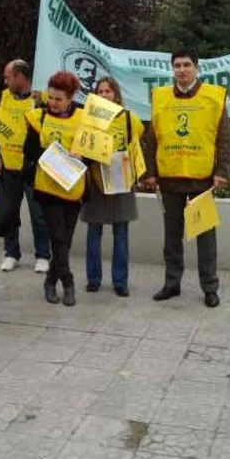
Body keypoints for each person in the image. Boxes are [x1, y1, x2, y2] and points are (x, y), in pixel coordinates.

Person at [144, 48, 230, 307]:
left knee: (205, 238)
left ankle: (209, 287)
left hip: (202, 181)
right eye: (177, 65)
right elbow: (151, 139)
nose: (181, 70)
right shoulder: (160, 97)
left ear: (196, 68)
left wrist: (222, 172)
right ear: (172, 69)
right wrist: (150, 173)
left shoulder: (213, 97)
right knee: (171, 238)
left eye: (186, 65)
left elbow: (224, 138)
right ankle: (172, 284)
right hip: (169, 180)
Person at [23, 71, 85, 306]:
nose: (53, 103)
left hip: (74, 187)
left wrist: (81, 155)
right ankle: (68, 282)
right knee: (58, 237)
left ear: (71, 98)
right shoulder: (37, 118)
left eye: (59, 99)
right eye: (51, 97)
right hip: (47, 187)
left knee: (65, 240)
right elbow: (29, 150)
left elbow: (91, 152)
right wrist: (54, 155)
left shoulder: (83, 118)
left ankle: (50, 280)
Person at [81, 77, 144, 297]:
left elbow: (135, 147)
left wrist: (138, 173)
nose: (104, 95)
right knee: (93, 232)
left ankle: (120, 281)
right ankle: (93, 279)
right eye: (100, 91)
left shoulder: (130, 119)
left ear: (116, 94)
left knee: (121, 232)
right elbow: (82, 149)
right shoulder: (88, 120)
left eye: (108, 91)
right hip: (97, 181)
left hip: (122, 180)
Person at [0, 59, 50, 273]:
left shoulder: (41, 98)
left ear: (20, 77)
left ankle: (43, 255)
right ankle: (11, 253)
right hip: (9, 165)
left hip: (31, 166)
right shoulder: (4, 97)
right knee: (9, 212)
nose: (5, 81)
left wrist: (40, 105)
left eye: (8, 77)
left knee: (38, 214)